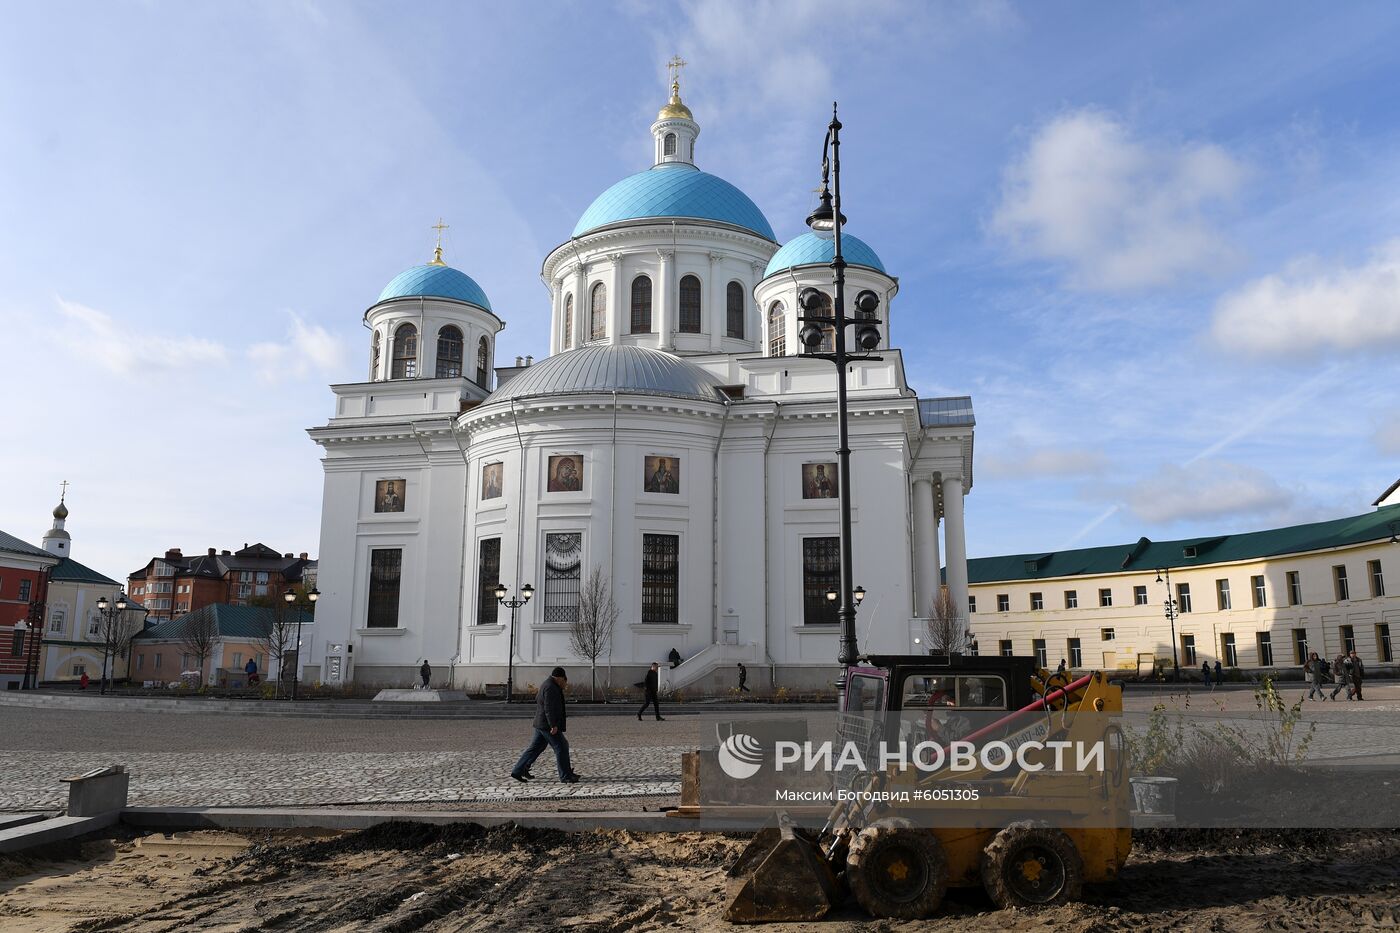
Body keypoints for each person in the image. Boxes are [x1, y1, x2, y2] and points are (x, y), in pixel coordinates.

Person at [512, 667, 579, 783]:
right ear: (559, 678)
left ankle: (519, 770)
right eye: (564, 681)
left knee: (536, 748)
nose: (565, 684)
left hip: (541, 723)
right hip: (546, 725)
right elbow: (549, 708)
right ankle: (565, 775)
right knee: (561, 746)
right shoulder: (551, 687)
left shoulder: (546, 684)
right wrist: (553, 724)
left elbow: (538, 698)